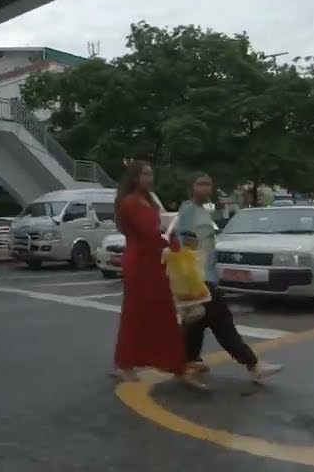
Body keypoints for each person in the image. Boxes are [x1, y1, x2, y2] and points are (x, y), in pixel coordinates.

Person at [175, 173, 283, 384]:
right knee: (223, 324)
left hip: (206, 277)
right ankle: (253, 364)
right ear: (192, 187)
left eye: (209, 184)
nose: (206, 189)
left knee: (197, 324)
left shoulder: (201, 211)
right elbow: (183, 242)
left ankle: (187, 362)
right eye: (201, 184)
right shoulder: (188, 210)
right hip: (199, 278)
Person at [112, 160, 199, 385]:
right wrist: (166, 232)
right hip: (140, 264)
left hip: (155, 261)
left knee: (162, 314)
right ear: (134, 178)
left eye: (151, 174)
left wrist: (174, 237)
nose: (150, 178)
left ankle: (173, 362)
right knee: (136, 315)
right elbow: (149, 232)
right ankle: (125, 364)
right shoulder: (130, 202)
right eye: (146, 174)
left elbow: (159, 229)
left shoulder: (149, 200)